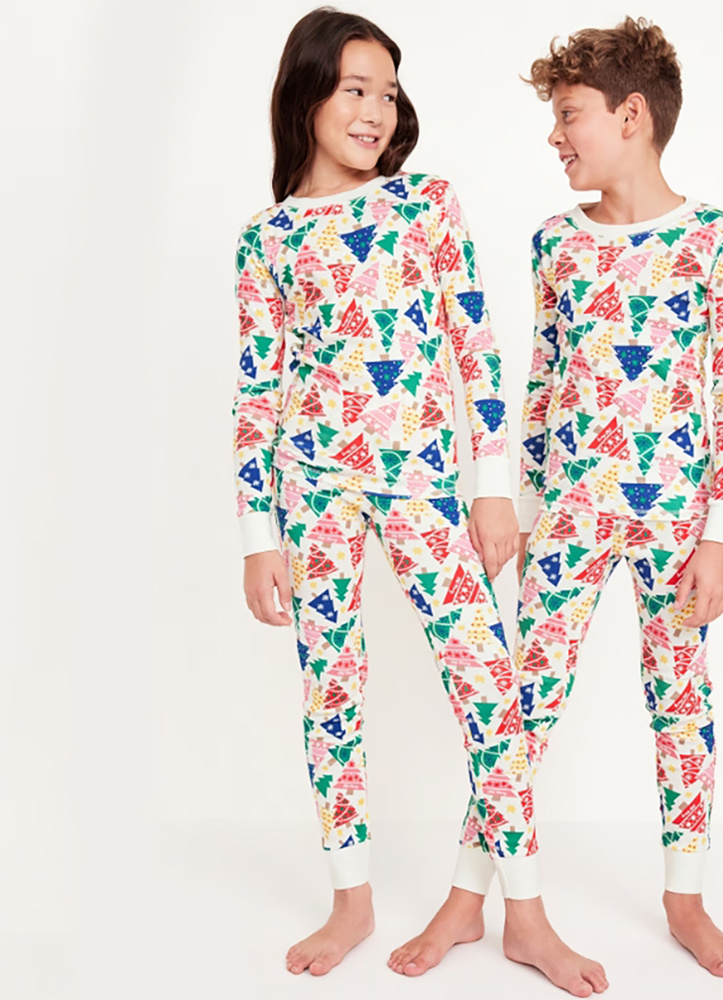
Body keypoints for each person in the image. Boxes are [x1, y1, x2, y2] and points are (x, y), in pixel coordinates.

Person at [397, 15, 723, 983]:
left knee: (679, 697)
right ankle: (469, 896)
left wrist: (720, 535)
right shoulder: (555, 243)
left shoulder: (714, 240)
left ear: (630, 115)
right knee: (520, 705)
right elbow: (544, 384)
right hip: (566, 513)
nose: (553, 136)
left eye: (568, 115)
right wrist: (515, 505)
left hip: (677, 519)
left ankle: (685, 899)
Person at [232, 6, 546, 978]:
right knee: (331, 688)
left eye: (388, 93)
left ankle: (525, 909)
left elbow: (474, 345)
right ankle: (351, 900)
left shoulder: (425, 205)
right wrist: (257, 533)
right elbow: (257, 391)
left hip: (421, 482)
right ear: (306, 95)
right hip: (311, 489)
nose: (375, 110)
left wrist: (491, 487)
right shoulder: (266, 240)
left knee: (487, 679)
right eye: (354, 89)